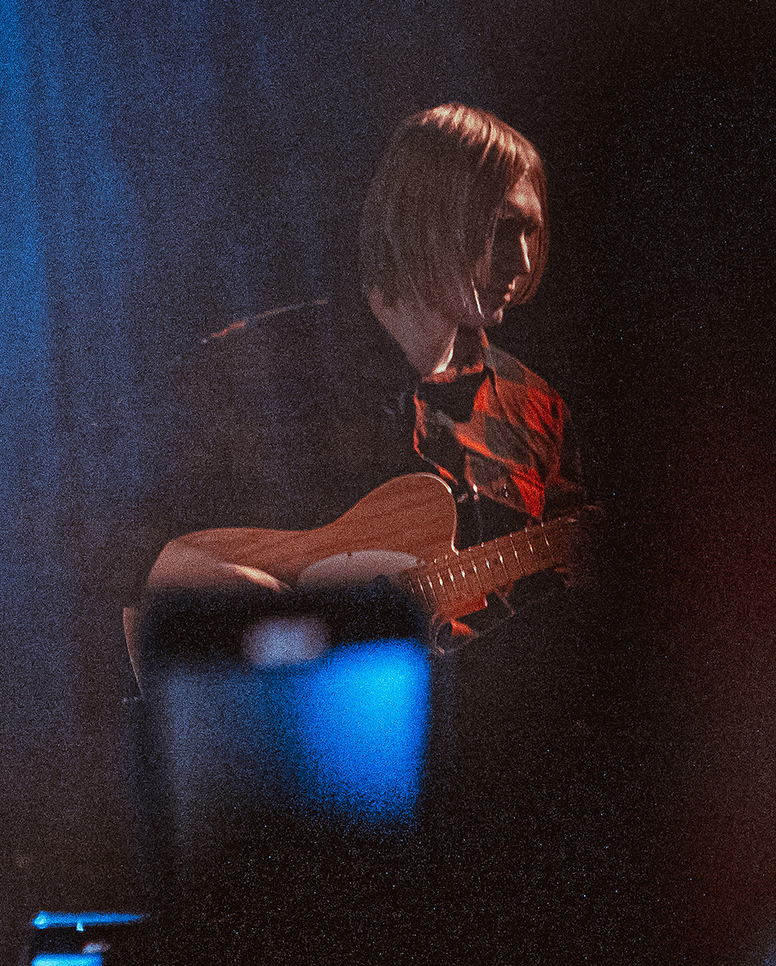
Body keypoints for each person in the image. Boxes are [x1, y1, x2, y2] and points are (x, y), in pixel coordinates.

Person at [142, 103, 585, 636]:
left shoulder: (534, 407)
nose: (524, 262)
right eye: (501, 230)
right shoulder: (266, 364)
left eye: (530, 233)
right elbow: (107, 530)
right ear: (428, 219)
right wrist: (259, 604)